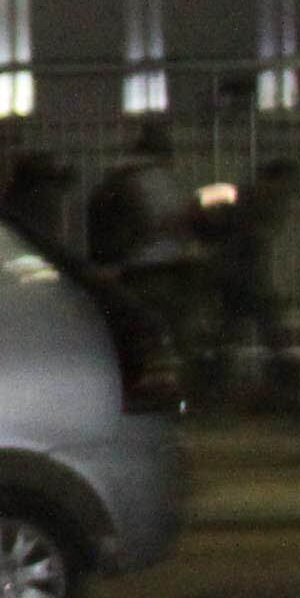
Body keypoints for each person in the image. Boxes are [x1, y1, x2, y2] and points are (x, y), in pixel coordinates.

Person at [84, 121, 210, 397]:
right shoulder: (157, 179)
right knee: (171, 335)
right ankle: (177, 394)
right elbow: (170, 221)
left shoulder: (115, 179)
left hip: (129, 269)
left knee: (140, 338)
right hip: (160, 268)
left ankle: (139, 391)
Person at [200, 157, 300, 401]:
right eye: (284, 183)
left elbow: (200, 201)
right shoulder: (243, 194)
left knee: (233, 334)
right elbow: (200, 201)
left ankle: (211, 385)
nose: (287, 190)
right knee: (266, 332)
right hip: (242, 275)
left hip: (241, 273)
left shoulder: (246, 195)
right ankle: (286, 385)